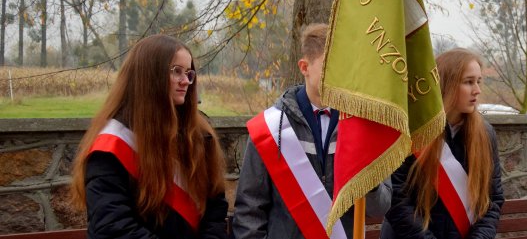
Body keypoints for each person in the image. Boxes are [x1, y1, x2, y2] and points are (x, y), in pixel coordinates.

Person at [232, 23, 391, 239]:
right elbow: (249, 211)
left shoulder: (363, 127)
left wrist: (368, 181)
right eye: (330, 66)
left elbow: (380, 207)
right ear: (304, 67)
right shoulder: (271, 128)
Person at [70, 34, 228, 239]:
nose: (185, 81)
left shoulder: (199, 136)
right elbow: (113, 228)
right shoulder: (112, 146)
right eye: (176, 71)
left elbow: (215, 208)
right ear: (148, 75)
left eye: (189, 73)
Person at [380, 48, 505, 239]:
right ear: (447, 84)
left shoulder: (485, 134)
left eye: (479, 81)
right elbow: (397, 200)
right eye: (468, 82)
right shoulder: (411, 131)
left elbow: (493, 200)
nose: (477, 90)